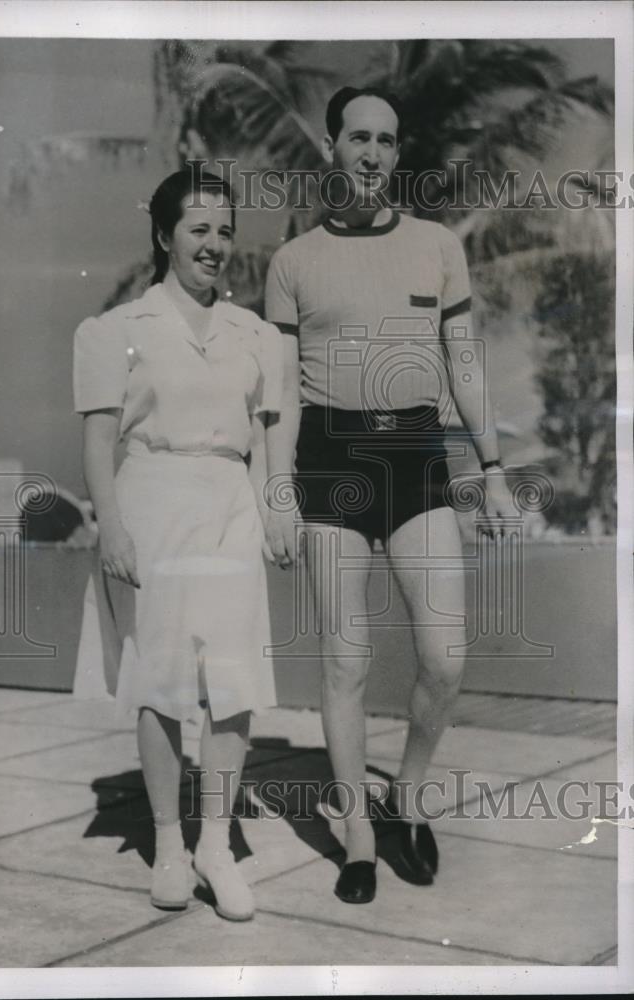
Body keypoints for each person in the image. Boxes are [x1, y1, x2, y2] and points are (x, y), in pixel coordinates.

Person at [264, 86, 516, 903]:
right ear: (332, 149)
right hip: (330, 458)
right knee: (345, 660)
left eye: (386, 140)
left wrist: (494, 469)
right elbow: (280, 395)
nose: (372, 153)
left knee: (445, 657)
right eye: (357, 138)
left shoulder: (438, 245)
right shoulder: (293, 261)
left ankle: (405, 797)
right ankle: (359, 834)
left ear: (396, 153)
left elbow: (465, 363)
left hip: (414, 451)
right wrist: (276, 491)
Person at [73, 168, 282, 921]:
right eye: (199, 229)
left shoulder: (254, 334)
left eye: (225, 231)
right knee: (159, 682)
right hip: (151, 502)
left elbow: (265, 439)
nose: (215, 245)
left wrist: (275, 513)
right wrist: (112, 528)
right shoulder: (116, 332)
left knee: (233, 688)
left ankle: (215, 846)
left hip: (230, 508)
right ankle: (168, 844)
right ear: (164, 236)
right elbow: (99, 441)